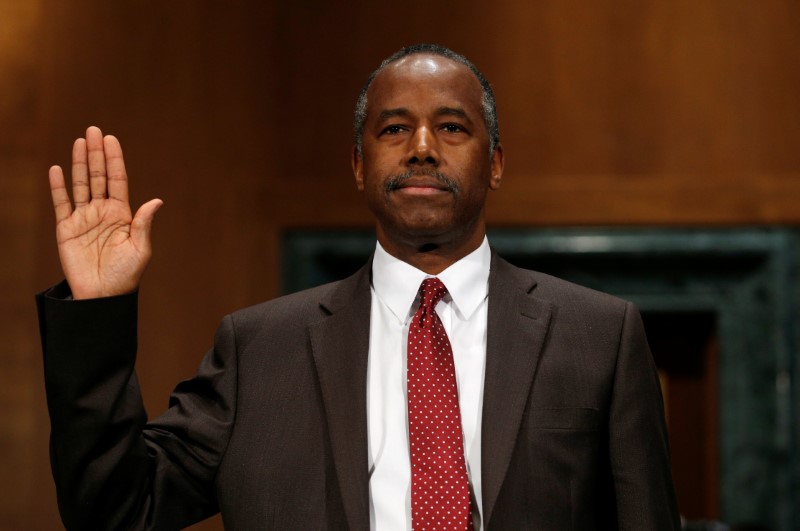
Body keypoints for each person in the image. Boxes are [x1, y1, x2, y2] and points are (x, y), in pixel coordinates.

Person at [38, 44, 680, 530]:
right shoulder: (260, 348)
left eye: (453, 128)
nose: (423, 148)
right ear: (357, 164)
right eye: (394, 129)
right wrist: (97, 311)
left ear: (496, 163)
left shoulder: (600, 335)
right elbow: (116, 510)